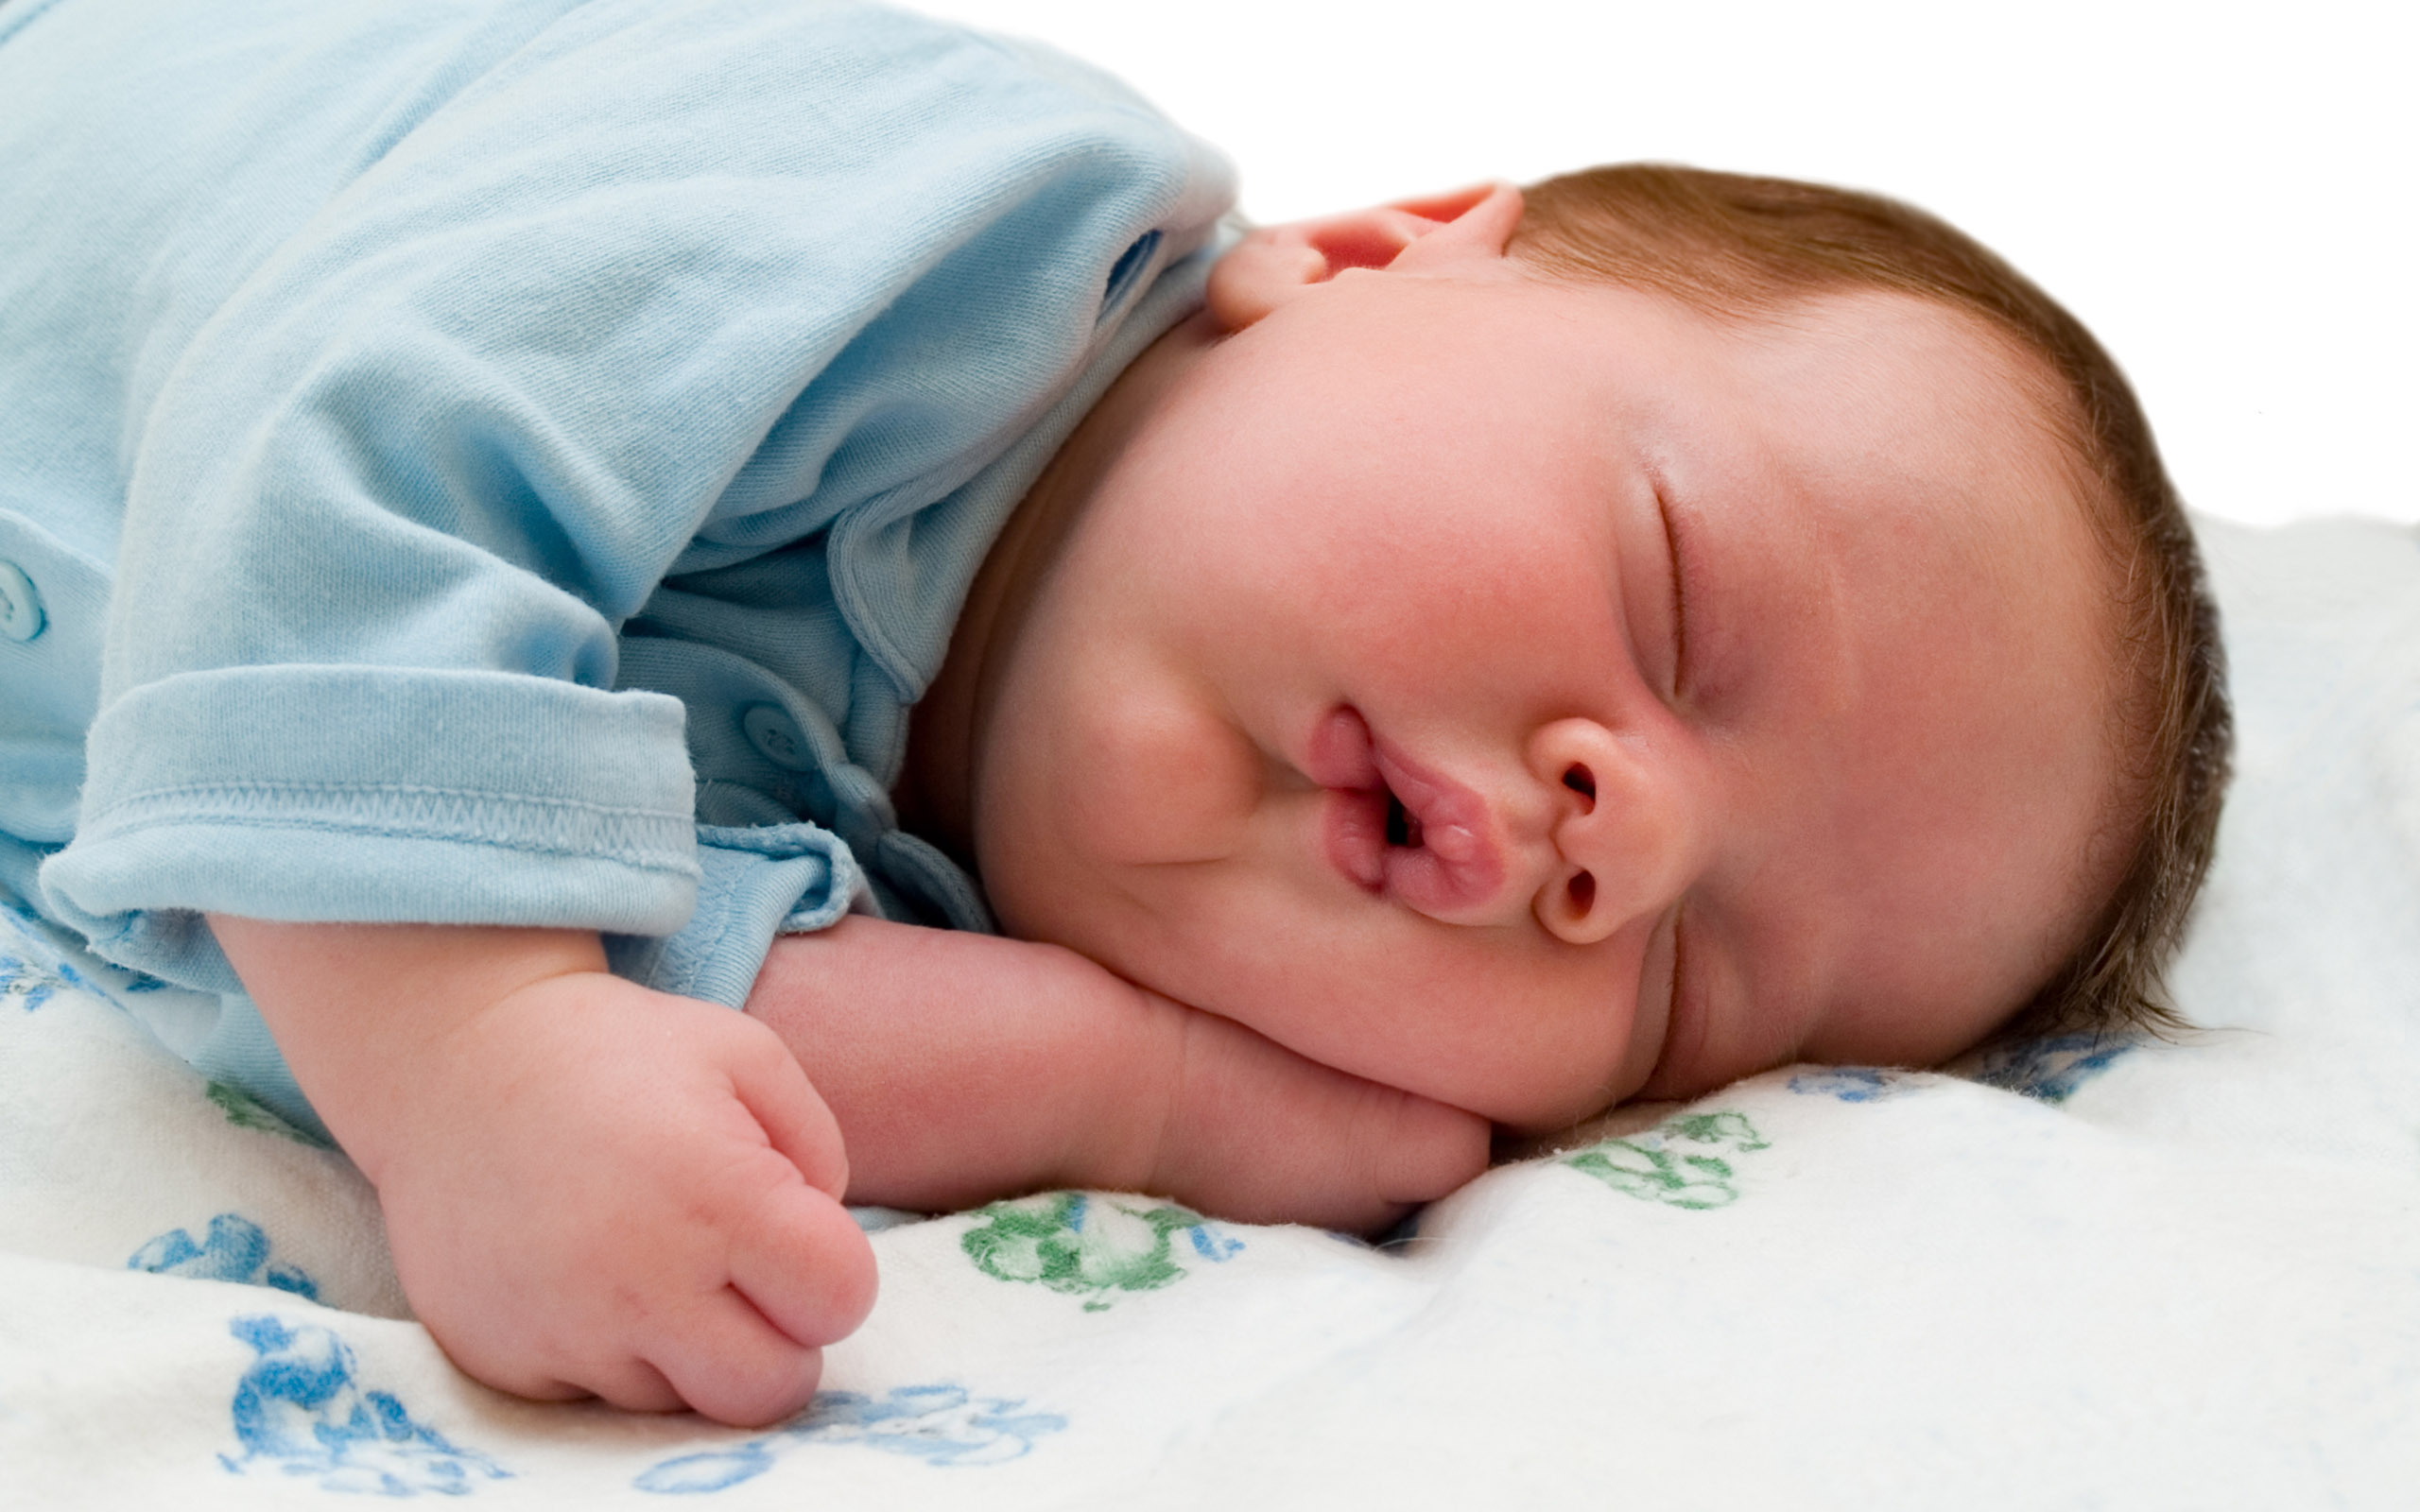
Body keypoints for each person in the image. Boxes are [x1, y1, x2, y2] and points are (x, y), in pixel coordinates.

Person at [0, 0, 2228, 1429]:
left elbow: (489, 975)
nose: (1612, 838)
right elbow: (341, 459)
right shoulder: (948, 217)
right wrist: (462, 1048)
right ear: (1361, 257)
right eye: (1675, 596)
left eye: (1679, 986)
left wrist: (1123, 1080)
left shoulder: (935, 880)